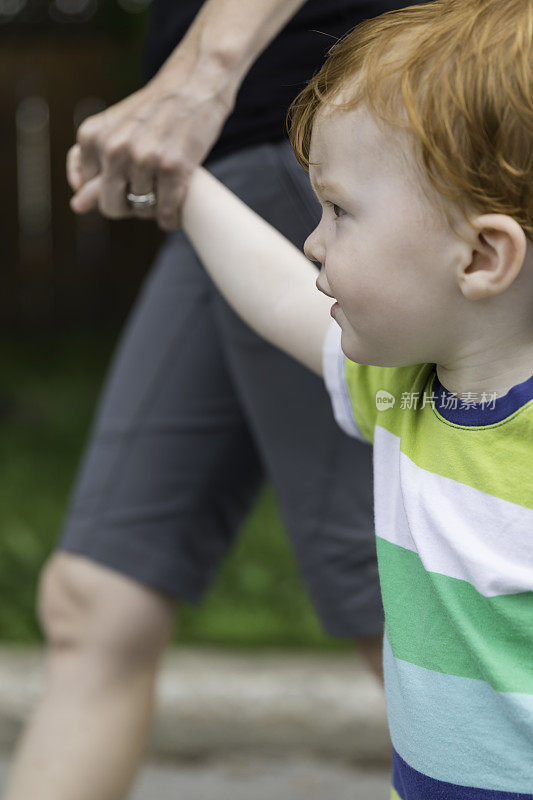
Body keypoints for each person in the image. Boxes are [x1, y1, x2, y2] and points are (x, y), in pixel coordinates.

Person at [2, 2, 422, 800]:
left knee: (405, 596)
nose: (316, 253)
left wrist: (200, 77)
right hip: (229, 161)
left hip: (327, 129)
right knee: (97, 598)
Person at [119, 0, 531, 796]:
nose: (312, 240)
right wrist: (182, 178)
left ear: (481, 255)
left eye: (340, 212)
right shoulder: (406, 390)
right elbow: (278, 294)